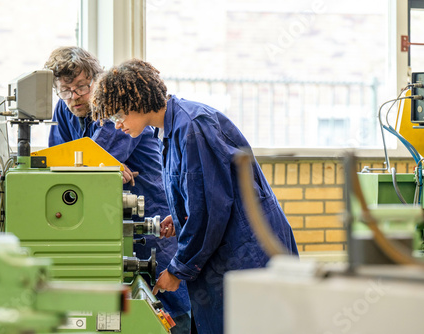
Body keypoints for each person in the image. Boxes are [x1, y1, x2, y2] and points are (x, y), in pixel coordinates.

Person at [91, 58, 299, 334]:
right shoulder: (170, 130)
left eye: (118, 116)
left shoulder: (192, 128)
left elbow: (210, 210)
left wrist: (177, 270)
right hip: (227, 248)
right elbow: (199, 195)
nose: (117, 126)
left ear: (136, 102)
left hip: (246, 249)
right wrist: (179, 220)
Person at [44, 47, 192, 333]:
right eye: (65, 90)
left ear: (96, 82)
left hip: (151, 215)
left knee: (170, 306)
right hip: (109, 222)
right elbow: (56, 167)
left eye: (82, 87)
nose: (74, 97)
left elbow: (96, 161)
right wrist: (90, 162)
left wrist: (89, 160)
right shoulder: (64, 110)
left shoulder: (112, 108)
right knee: (134, 311)